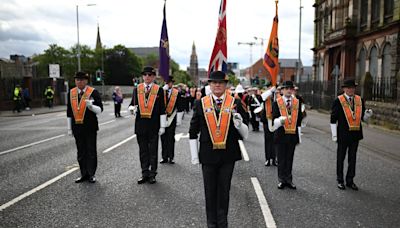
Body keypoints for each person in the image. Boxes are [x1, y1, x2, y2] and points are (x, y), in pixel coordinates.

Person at [189, 71, 249, 228]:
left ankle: (223, 223)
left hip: (228, 155)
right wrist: (194, 156)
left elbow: (246, 133)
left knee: (224, 191)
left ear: (226, 85)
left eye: (221, 83)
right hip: (208, 155)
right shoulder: (200, 103)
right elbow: (193, 131)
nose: (217, 85)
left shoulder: (235, 103)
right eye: (214, 82)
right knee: (210, 191)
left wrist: (239, 124)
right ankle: (211, 224)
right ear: (209, 85)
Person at [330, 78, 373, 191]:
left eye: (353, 88)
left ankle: (350, 180)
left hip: (355, 135)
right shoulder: (338, 101)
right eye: (348, 88)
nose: (351, 90)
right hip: (342, 135)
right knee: (341, 158)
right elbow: (333, 119)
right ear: (344, 89)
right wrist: (334, 135)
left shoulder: (360, 100)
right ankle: (340, 180)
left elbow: (362, 119)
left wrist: (367, 115)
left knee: (352, 158)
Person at [129, 66, 166, 184]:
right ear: (142, 76)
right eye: (145, 75)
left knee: (153, 151)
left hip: (154, 125)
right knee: (143, 151)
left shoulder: (158, 90)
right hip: (140, 125)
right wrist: (131, 109)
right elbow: (132, 104)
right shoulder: (137, 89)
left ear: (154, 76)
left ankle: (152, 174)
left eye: (150, 75)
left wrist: (163, 126)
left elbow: (162, 109)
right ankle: (144, 172)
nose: (147, 77)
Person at [67, 71, 103, 183]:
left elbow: (100, 110)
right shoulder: (71, 93)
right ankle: (83, 174)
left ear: (86, 81)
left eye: (82, 80)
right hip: (77, 128)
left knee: (91, 151)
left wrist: (91, 106)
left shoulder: (93, 92)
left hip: (90, 127)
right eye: (77, 80)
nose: (79, 82)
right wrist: (69, 128)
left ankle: (91, 174)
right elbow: (69, 112)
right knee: (81, 151)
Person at [272, 80, 303, 190]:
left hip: (292, 136)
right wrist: (279, 120)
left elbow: (299, 120)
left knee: (290, 158)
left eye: (291, 89)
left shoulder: (297, 103)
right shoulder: (277, 102)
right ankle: (281, 180)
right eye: (286, 89)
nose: (289, 90)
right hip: (280, 135)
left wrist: (299, 136)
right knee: (281, 159)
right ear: (282, 91)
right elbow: (273, 120)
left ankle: (289, 180)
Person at [160, 76, 184, 164]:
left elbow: (180, 106)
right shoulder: (161, 92)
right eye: (167, 82)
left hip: (172, 118)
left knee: (170, 137)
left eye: (169, 82)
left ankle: (171, 157)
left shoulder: (177, 93)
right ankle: (164, 157)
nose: (168, 84)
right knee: (163, 137)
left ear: (172, 83)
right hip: (162, 118)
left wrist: (179, 119)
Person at [260, 82, 277, 166]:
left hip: (276, 121)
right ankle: (267, 159)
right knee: (268, 140)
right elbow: (262, 97)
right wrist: (271, 90)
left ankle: (274, 159)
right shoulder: (265, 94)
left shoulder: (277, 95)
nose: (271, 88)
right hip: (267, 120)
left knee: (275, 140)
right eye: (269, 87)